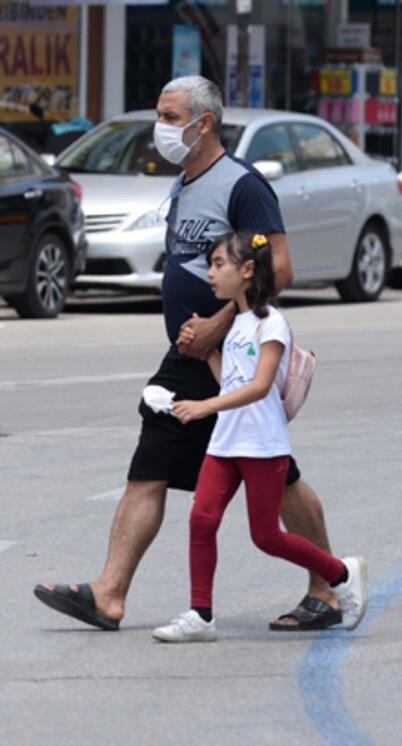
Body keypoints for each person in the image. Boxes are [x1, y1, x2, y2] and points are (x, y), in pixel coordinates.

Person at [34, 75, 345, 633]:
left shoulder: (243, 185)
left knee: (279, 478)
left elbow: (281, 269)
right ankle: (108, 594)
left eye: (171, 117)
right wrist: (193, 336)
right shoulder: (182, 184)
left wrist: (219, 326)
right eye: (161, 115)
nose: (162, 128)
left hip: (235, 355)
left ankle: (328, 586)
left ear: (204, 124)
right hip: (189, 357)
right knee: (148, 469)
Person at [152, 232, 366, 642]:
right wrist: (205, 351)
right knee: (202, 520)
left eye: (219, 264)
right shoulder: (233, 327)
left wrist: (203, 407)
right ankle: (201, 615)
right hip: (226, 443)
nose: (211, 273)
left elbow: (261, 386)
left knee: (266, 536)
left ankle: (340, 572)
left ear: (247, 270)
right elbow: (229, 381)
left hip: (262, 444)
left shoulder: (273, 324)